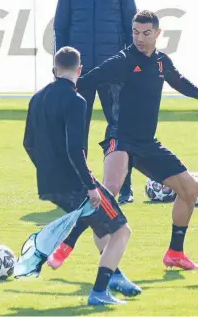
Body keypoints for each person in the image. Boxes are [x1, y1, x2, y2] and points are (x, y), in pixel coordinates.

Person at [49, 10, 198, 271]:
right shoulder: (123, 60)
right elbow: (88, 80)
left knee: (190, 189)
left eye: (146, 33)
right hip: (121, 138)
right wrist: (58, 91)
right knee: (109, 190)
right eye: (136, 32)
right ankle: (67, 244)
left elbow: (180, 82)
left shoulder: (162, 62)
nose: (140, 38)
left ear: (158, 34)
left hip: (148, 143)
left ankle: (175, 252)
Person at [23, 46, 140, 305]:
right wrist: (90, 186)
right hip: (75, 182)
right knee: (122, 231)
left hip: (49, 183)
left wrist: (47, 170)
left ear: (54, 70)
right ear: (79, 70)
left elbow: (28, 144)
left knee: (100, 225)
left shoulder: (37, 98)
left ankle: (115, 275)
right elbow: (75, 149)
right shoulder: (77, 101)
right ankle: (99, 292)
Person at [53, 0, 138, 206]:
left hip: (113, 71)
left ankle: (124, 186)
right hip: (80, 73)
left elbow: (131, 27)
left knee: (119, 126)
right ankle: (79, 185)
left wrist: (129, 64)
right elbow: (60, 28)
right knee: (77, 129)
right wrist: (60, 66)